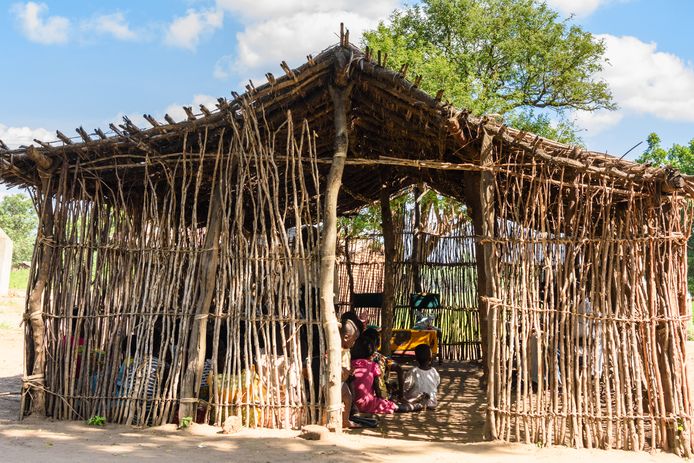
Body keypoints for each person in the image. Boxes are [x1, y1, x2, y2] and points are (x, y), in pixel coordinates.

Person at [351, 336, 425, 414]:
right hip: (367, 403)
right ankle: (417, 406)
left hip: (351, 405)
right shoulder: (373, 365)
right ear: (372, 352)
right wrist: (381, 401)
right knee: (396, 407)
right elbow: (377, 388)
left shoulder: (350, 364)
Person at [403, 344, 440, 410]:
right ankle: (426, 403)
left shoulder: (413, 371)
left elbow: (406, 387)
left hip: (415, 402)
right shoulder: (434, 371)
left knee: (402, 398)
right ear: (430, 357)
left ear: (416, 358)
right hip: (432, 402)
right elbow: (437, 383)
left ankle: (419, 405)